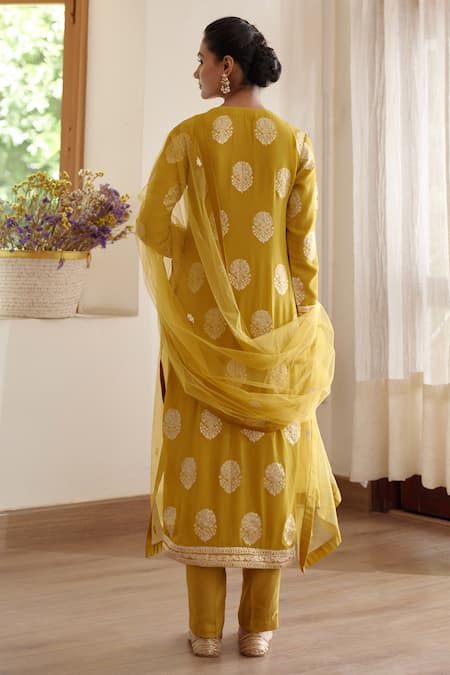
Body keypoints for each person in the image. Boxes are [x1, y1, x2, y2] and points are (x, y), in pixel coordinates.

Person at [136, 16, 341, 659]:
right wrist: (301, 329)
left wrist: (202, 247)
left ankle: (204, 632)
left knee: (201, 472)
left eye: (201, 59)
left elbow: (151, 227)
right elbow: (303, 257)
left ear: (227, 66)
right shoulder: (295, 143)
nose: (196, 71)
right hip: (274, 330)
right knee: (269, 473)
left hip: (200, 333)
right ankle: (258, 629)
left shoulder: (187, 139)